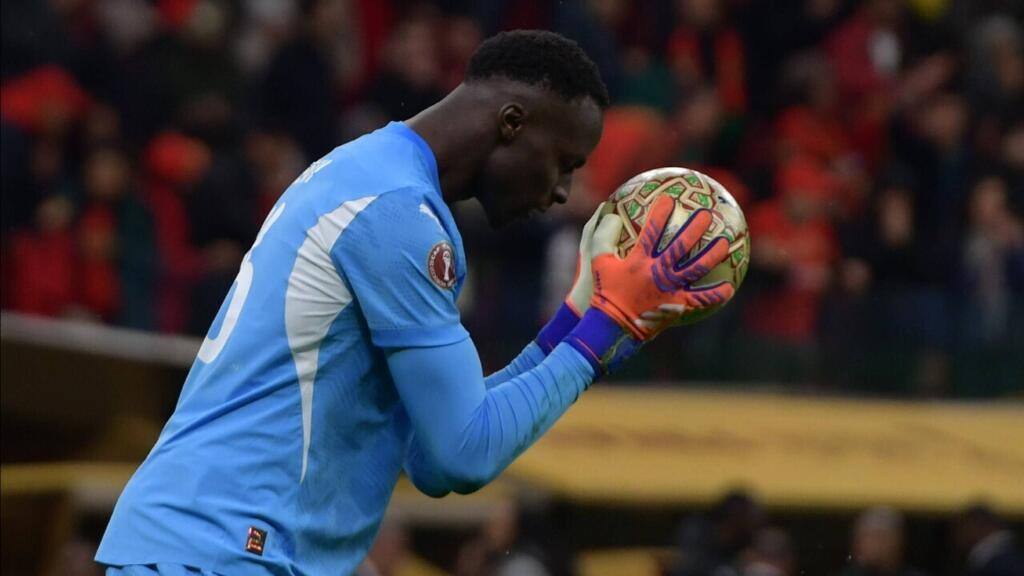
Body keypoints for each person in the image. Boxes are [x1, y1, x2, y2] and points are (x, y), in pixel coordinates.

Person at [95, 30, 734, 575]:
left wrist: (577, 318)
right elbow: (466, 450)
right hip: (222, 550)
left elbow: (433, 460)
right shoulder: (398, 216)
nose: (564, 192)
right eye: (565, 162)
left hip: (214, 546)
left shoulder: (375, 178)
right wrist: (606, 328)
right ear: (512, 124)